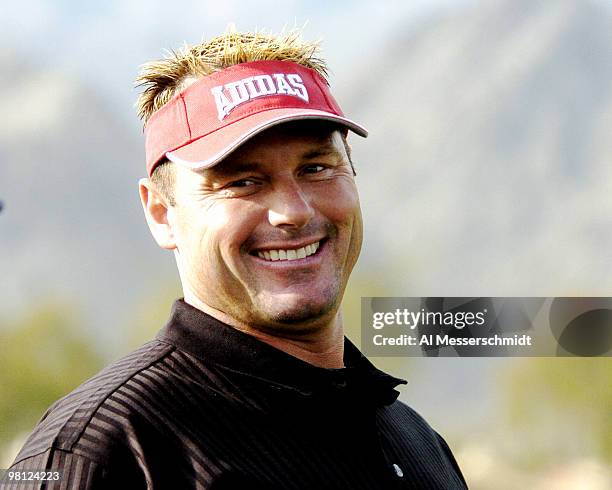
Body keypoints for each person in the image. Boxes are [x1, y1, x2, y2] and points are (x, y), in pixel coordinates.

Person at [5, 31, 467, 489]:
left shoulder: (415, 441)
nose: (294, 211)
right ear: (162, 214)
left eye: (317, 168)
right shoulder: (98, 453)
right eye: (243, 181)